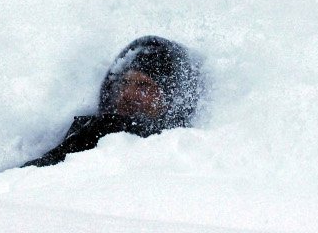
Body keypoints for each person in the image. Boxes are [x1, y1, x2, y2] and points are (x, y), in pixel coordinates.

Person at [20, 35, 203, 168]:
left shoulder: (186, 153)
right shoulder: (94, 131)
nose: (127, 93)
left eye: (143, 85)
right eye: (124, 82)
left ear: (173, 97)